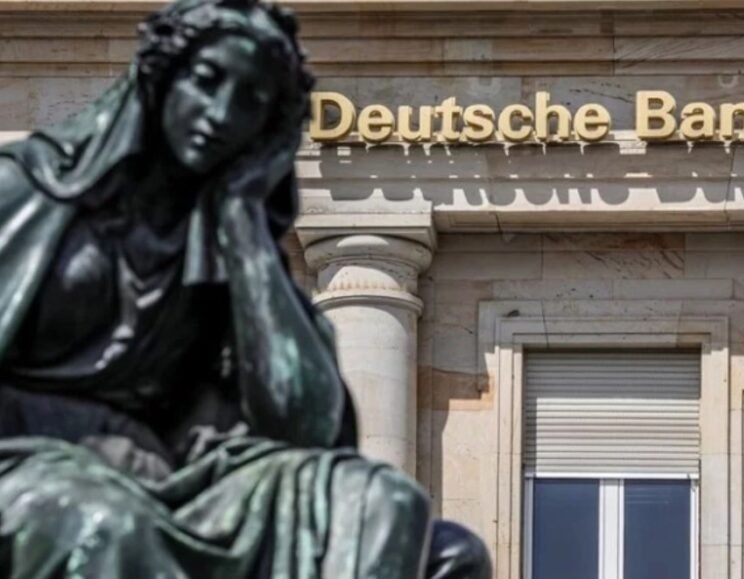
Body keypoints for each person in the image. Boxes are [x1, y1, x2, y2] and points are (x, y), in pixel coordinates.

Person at [0, 0, 490, 577]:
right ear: (159, 76)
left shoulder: (225, 238)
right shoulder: (25, 188)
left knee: (389, 506)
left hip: (177, 477)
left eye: (250, 102)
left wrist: (242, 222)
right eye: (207, 81)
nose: (222, 114)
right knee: (109, 525)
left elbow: (308, 427)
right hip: (31, 461)